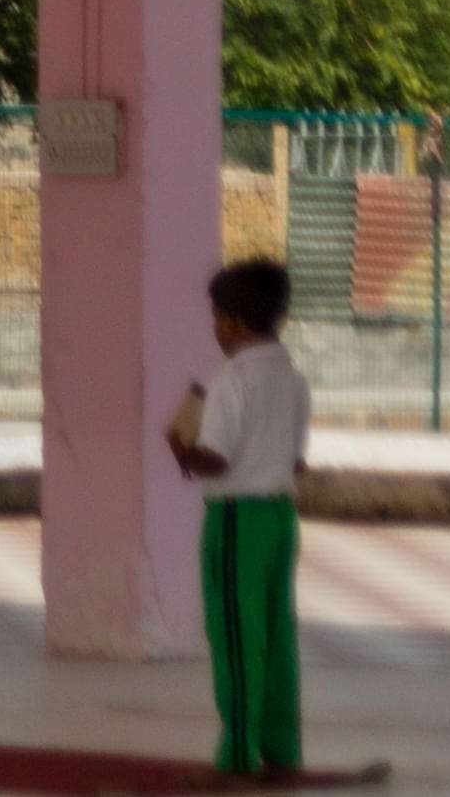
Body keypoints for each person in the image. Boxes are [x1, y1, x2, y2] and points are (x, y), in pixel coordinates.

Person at [169, 254, 311, 779]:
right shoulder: (292, 380)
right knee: (276, 635)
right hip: (280, 517)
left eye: (215, 317)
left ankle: (237, 755)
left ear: (228, 320)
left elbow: (216, 458)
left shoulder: (230, 381)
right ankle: (283, 749)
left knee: (235, 635)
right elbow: (296, 460)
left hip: (235, 521)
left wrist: (183, 452)